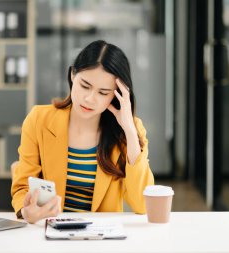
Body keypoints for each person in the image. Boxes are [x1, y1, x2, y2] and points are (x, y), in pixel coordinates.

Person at [11, 40, 154, 224]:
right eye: (85, 86)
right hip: (50, 233)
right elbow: (22, 187)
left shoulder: (130, 131)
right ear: (72, 75)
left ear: (117, 94)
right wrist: (26, 211)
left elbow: (142, 204)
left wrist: (128, 129)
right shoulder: (39, 119)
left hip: (100, 239)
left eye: (103, 92)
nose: (90, 99)